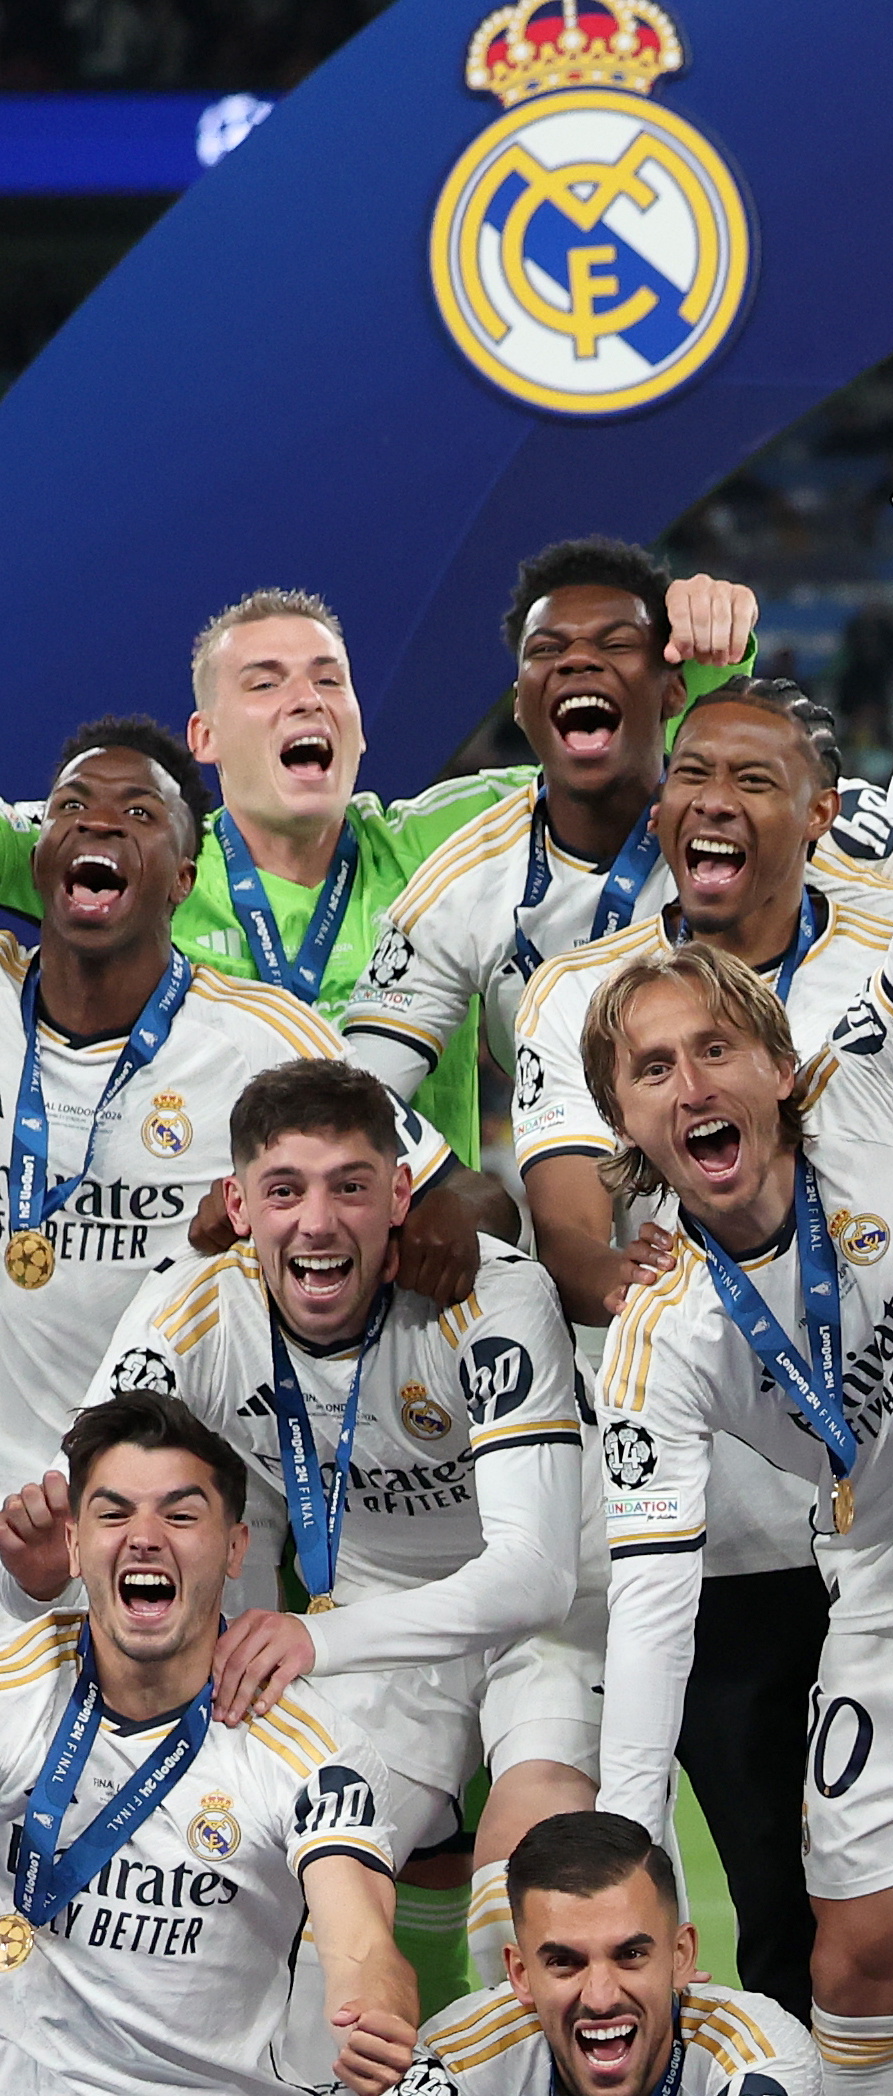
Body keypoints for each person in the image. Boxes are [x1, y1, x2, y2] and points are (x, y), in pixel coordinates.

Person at [586, 679, 893, 2096]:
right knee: (850, 1973)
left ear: (780, 1067)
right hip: (892, 1597)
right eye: (651, 1071)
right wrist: (627, 1847)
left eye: (713, 1051)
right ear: (631, 1125)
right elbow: (652, 1604)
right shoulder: (663, 1328)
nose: (689, 1083)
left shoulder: (880, 1080)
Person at [71, 1058, 589, 1993]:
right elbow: (106, 1475)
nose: (317, 1222)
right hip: (374, 1609)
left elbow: (536, 1574)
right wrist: (49, 1552)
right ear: (236, 1203)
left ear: (400, 1191)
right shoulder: (195, 1298)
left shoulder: (494, 1294)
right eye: (284, 1191)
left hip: (552, 1620)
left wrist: (312, 1637)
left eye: (350, 1187)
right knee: (307, 1904)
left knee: (528, 1920)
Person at [0, 575, 758, 1162]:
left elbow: (624, 774)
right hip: (202, 1278)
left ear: (360, 728)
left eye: (330, 680)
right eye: (265, 683)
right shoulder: (145, 855)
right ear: (204, 735)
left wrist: (711, 636)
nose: (308, 699)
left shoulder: (444, 842)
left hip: (426, 1293)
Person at [0, 722, 475, 1493]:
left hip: (190, 1501)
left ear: (182, 880)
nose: (98, 821)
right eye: (71, 806)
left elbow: (469, 1201)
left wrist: (437, 1213)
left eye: (141, 813)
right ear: (38, 852)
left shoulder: (261, 1036)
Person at [340, 539, 893, 1126]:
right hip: (586, 1185)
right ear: (519, 704)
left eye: (616, 643)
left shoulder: (797, 826)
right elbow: (359, 1103)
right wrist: (440, 1182)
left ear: (675, 691)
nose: (578, 661)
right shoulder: (463, 882)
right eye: (547, 649)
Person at [0, 1392, 417, 2096]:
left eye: (181, 1516)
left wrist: (373, 2001)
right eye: (114, 1512)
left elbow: (359, 1932)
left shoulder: (309, 1746)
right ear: (73, 1543)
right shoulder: (16, 1687)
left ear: (234, 1549)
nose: (146, 1538)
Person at [511, 678, 893, 1324]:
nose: (714, 801)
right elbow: (568, 1232)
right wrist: (619, 1279)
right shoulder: (574, 990)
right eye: (691, 774)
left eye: (752, 781)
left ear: (819, 814)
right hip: (694, 1376)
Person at [355, 1810, 820, 2096]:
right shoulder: (460, 2054)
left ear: (681, 1957)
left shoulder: (758, 2051)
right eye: (564, 1963)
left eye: (631, 1956)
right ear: (520, 1974)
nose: (601, 1997)